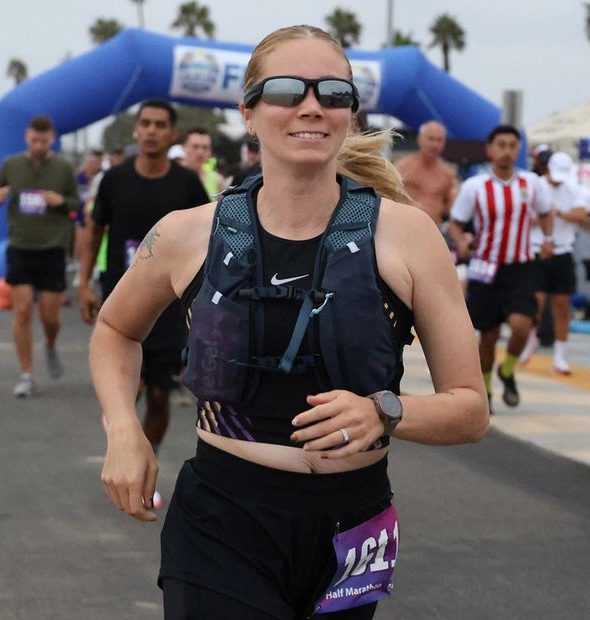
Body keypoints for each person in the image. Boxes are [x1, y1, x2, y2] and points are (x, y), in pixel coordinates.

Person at [91, 25, 488, 618]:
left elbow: (469, 408)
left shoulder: (409, 237)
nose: (311, 106)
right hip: (223, 521)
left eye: (332, 92)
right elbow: (115, 330)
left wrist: (385, 409)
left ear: (351, 114)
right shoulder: (187, 234)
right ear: (248, 112)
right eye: (285, 90)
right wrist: (125, 431)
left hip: (355, 528)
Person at [79, 100, 210, 451]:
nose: (151, 130)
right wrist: (83, 285)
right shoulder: (114, 180)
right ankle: (123, 449)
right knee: (128, 390)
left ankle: (145, 459)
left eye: (159, 125)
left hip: (169, 304)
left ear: (172, 134)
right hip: (121, 295)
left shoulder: (187, 184)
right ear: (137, 130)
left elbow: (206, 240)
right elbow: (94, 233)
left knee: (157, 394)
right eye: (145, 123)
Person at [447, 125, 553, 410]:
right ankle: (488, 387)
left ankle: (507, 370)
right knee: (489, 335)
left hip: (521, 267)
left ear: (518, 150)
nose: (507, 151)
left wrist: (547, 240)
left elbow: (546, 213)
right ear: (490, 149)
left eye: (512, 146)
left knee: (522, 325)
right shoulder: (476, 187)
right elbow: (456, 222)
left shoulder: (532, 183)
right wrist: (462, 242)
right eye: (501, 145)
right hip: (486, 267)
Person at [0, 114, 82, 398]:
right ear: (26, 138)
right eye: (34, 140)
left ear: (51, 140)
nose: (38, 145)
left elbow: (77, 204)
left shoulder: (63, 168)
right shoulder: (12, 165)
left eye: (43, 141)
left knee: (50, 317)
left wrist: (61, 201)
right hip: (20, 247)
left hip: (52, 249)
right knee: (22, 311)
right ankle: (27, 374)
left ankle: (50, 344)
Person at [520, 152, 590, 375]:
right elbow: (526, 217)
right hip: (537, 249)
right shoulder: (535, 186)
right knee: (537, 302)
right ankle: (530, 341)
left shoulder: (573, 189)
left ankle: (560, 356)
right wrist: (545, 215)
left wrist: (556, 212)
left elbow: (581, 216)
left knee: (562, 304)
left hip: (563, 250)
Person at [395, 121, 458, 228]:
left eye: (439, 140)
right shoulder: (402, 167)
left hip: (434, 229)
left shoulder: (448, 174)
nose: (435, 145)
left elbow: (453, 208)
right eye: (431, 139)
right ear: (420, 139)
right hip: (405, 227)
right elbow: (388, 197)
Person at [179, 128, 224, 198]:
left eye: (205, 148)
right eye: (195, 147)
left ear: (210, 151)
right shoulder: (173, 176)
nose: (200, 152)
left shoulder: (217, 180)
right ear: (184, 147)